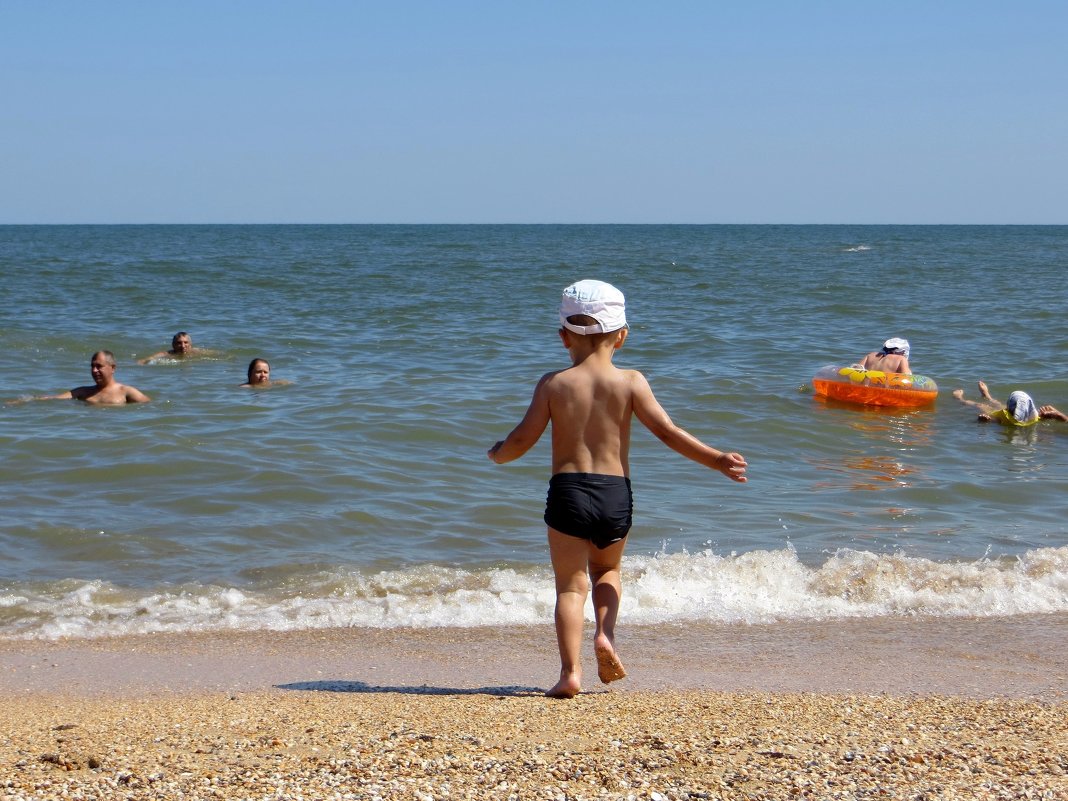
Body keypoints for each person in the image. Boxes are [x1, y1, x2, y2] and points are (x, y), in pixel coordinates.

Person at [487, 279, 747, 699]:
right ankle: (605, 635)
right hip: (615, 493)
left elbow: (522, 440)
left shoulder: (553, 384)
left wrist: (498, 454)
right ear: (622, 336)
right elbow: (667, 432)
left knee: (570, 585)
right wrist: (716, 459)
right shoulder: (631, 381)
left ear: (563, 336)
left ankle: (570, 673)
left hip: (568, 490)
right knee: (607, 570)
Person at [28, 351, 150, 404]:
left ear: (113, 368)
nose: (94, 370)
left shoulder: (127, 392)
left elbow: (152, 409)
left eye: (99, 366)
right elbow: (54, 399)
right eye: (92, 366)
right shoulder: (83, 392)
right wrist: (26, 400)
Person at [952, 381, 1067, 425]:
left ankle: (960, 399)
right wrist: (1055, 415)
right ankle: (987, 395)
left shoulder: (1005, 417)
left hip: (999, 414)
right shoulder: (1033, 417)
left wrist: (986, 420)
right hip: (1005, 413)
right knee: (997, 405)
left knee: (981, 406)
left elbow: (996, 421)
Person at [138, 331, 214, 364]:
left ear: (190, 344)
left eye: (185, 342)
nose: (183, 346)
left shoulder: (197, 352)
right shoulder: (168, 353)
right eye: (179, 343)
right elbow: (148, 359)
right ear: (173, 345)